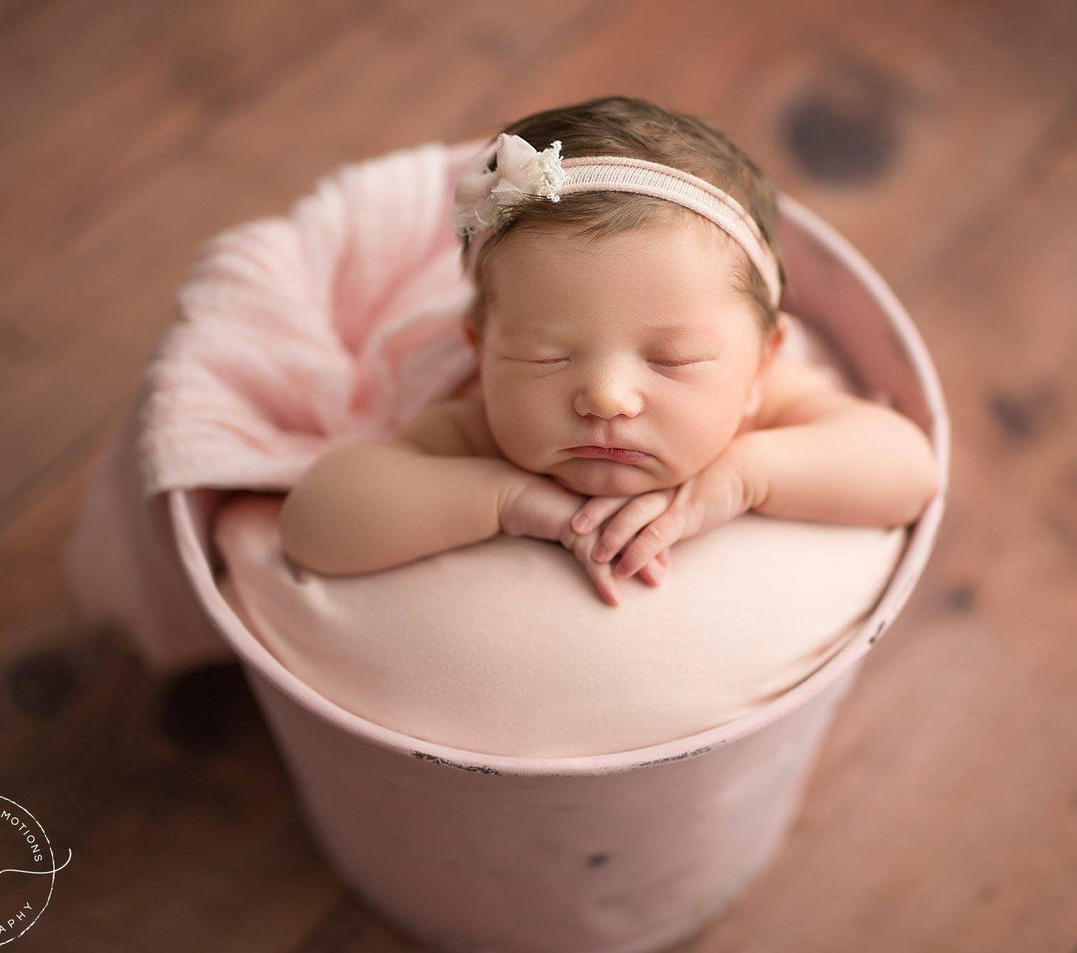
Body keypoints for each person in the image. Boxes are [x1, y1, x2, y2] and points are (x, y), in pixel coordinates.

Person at [279, 95, 939, 606]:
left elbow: (909, 470)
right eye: (544, 355)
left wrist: (744, 476)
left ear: (761, 364)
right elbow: (313, 523)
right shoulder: (475, 423)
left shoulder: (764, 407)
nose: (604, 396)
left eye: (672, 358)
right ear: (479, 350)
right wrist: (499, 500)